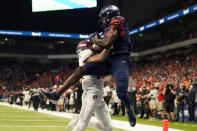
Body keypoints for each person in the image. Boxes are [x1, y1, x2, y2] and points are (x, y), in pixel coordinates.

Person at [40, 5, 136, 127]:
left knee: (121, 93)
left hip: (120, 60)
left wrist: (93, 39)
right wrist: (94, 42)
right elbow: (102, 47)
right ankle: (56, 94)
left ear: (110, 15)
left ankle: (129, 109)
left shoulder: (117, 19)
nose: (102, 19)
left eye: (104, 17)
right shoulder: (107, 29)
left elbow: (107, 42)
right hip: (109, 61)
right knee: (81, 70)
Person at [66, 39, 112, 131]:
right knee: (82, 126)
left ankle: (78, 119)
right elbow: (101, 56)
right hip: (91, 92)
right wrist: (107, 44)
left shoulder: (91, 54)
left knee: (108, 128)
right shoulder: (86, 55)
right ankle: (79, 120)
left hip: (98, 93)